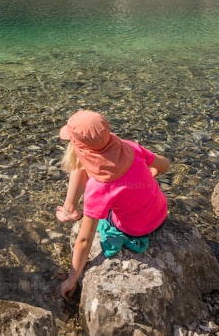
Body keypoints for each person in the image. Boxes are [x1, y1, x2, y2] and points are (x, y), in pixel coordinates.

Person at [57, 109, 170, 300]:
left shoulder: (97, 188)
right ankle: (69, 208)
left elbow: (85, 240)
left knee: (80, 165)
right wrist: (148, 173)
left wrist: (71, 280)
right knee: (85, 167)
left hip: (135, 230)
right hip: (161, 214)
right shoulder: (131, 148)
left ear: (79, 145)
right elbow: (165, 164)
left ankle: (69, 209)